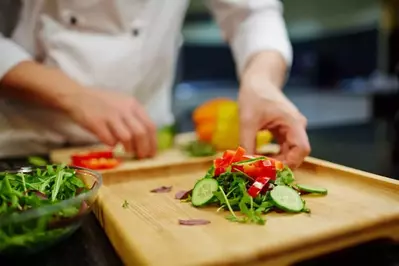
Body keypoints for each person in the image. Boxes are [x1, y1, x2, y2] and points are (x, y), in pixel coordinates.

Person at [0, 0, 310, 169]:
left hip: (146, 150)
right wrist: (73, 95)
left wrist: (262, 81)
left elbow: (253, 14)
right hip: (28, 144)